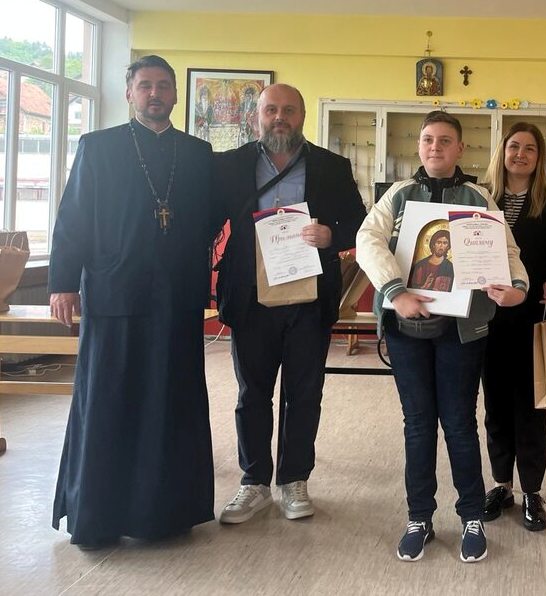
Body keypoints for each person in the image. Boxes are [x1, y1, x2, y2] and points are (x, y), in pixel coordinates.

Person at [49, 55, 220, 549]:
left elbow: (210, 217)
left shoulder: (197, 153)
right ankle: (97, 517)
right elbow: (73, 218)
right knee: (108, 399)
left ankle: (167, 514)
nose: (155, 94)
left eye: (163, 86)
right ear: (129, 93)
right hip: (114, 294)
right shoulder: (98, 147)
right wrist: (63, 282)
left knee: (171, 399)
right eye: (145, 85)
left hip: (176, 298)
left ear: (175, 94)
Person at [356, 111, 529, 563]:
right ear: (419, 146)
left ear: (460, 149)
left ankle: (471, 515)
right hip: (406, 328)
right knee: (418, 424)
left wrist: (516, 287)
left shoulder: (478, 197)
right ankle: (419, 518)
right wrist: (395, 292)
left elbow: (507, 250)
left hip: (460, 330)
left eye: (445, 141)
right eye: (428, 139)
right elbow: (367, 240)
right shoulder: (397, 194)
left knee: (458, 422)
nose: (435, 147)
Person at [215, 83, 366, 525]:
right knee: (252, 393)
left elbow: (358, 222)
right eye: (271, 110)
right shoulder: (230, 165)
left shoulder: (331, 166)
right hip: (251, 297)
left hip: (308, 297)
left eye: (289, 110)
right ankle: (254, 482)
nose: (279, 117)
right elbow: (204, 222)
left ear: (302, 116)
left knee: (304, 393)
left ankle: (295, 479)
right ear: (257, 116)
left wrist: (332, 235)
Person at [479, 122, 546, 531]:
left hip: (533, 313)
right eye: (514, 146)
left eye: (529, 149)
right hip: (489, 316)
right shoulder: (482, 195)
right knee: (496, 406)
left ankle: (532, 491)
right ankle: (502, 485)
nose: (520, 154)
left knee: (532, 407)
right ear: (502, 152)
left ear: (540, 156)